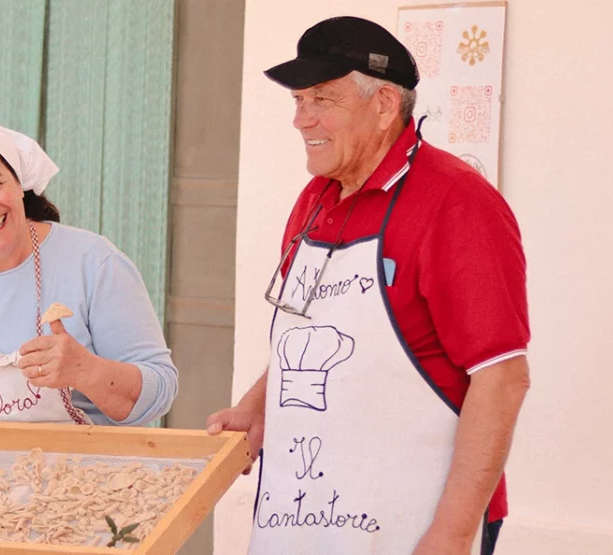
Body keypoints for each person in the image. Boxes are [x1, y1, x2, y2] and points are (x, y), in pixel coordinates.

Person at [207, 16, 530, 555]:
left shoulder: (457, 203)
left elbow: (502, 379)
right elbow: (310, 332)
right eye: (298, 99)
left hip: (408, 528)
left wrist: (449, 537)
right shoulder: (314, 199)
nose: (300, 119)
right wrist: (256, 410)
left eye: (322, 100)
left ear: (383, 105)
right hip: (296, 520)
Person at [0, 121, 177, 427]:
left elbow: (161, 388)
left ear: (19, 184)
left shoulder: (95, 263)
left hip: (88, 471)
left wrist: (86, 370)